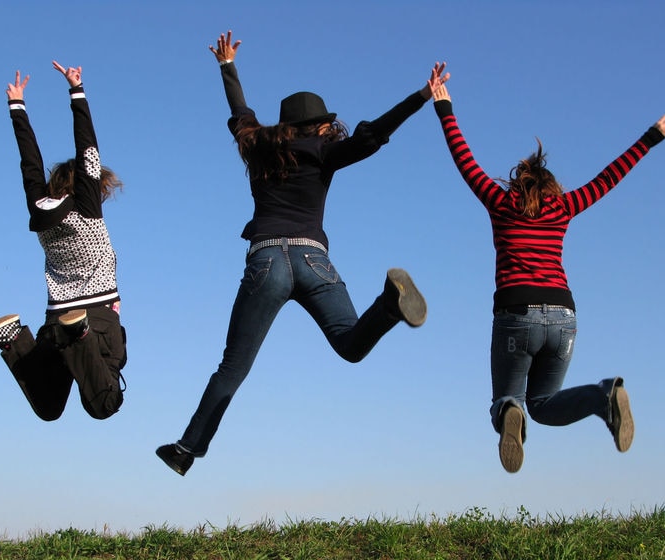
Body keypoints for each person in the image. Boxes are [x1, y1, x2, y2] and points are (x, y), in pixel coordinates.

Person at [155, 31, 449, 475]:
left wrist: (227, 66)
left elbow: (240, 112)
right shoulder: (324, 152)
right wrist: (421, 97)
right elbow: (372, 136)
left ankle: (186, 450)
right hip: (314, 261)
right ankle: (389, 306)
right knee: (351, 345)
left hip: (266, 260)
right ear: (319, 126)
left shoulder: (256, 147)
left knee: (232, 368)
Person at [431, 80, 665, 473]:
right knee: (545, 406)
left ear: (517, 184)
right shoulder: (564, 208)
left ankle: (509, 409)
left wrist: (444, 108)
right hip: (564, 317)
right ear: (551, 188)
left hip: (516, 312)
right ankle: (603, 397)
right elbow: (608, 178)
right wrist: (652, 137)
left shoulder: (500, 202)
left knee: (509, 399)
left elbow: (465, 160)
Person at [0, 62, 127, 422]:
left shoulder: (39, 211)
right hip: (97, 318)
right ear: (92, 187)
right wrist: (77, 90)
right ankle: (80, 333)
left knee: (49, 406)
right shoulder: (87, 207)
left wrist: (17, 107)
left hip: (55, 321)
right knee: (104, 404)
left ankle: (12, 340)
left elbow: (29, 166)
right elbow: (88, 149)